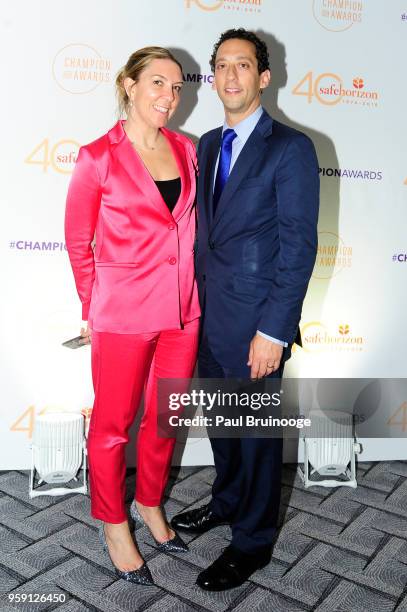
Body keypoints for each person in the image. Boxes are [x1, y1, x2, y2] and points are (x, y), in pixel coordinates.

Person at [171, 29, 319, 591]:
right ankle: (226, 502)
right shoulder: (207, 143)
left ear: (263, 77)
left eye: (243, 65)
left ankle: (253, 542)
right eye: (221, 66)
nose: (231, 76)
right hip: (205, 316)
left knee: (256, 436)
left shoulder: (290, 148)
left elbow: (298, 245)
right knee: (224, 426)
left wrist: (274, 330)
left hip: (257, 322)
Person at [65, 47, 200, 585]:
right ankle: (113, 521)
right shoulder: (97, 155)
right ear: (128, 85)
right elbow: (79, 243)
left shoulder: (185, 150)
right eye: (158, 84)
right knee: (113, 425)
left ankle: (149, 503)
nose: (169, 96)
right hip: (121, 313)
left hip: (183, 311)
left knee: (165, 418)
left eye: (177, 87)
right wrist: (91, 307)